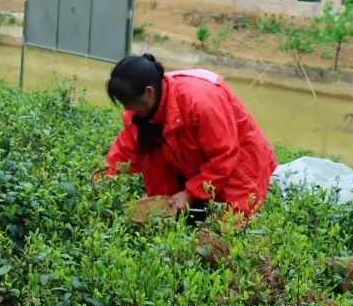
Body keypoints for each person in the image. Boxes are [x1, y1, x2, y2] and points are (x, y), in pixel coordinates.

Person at [104, 53, 277, 219]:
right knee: (166, 222)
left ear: (149, 92)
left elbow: (225, 156)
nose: (128, 109)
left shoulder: (200, 101)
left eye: (129, 103)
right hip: (197, 165)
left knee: (225, 236)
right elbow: (124, 151)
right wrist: (100, 183)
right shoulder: (142, 111)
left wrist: (190, 193)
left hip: (240, 168)